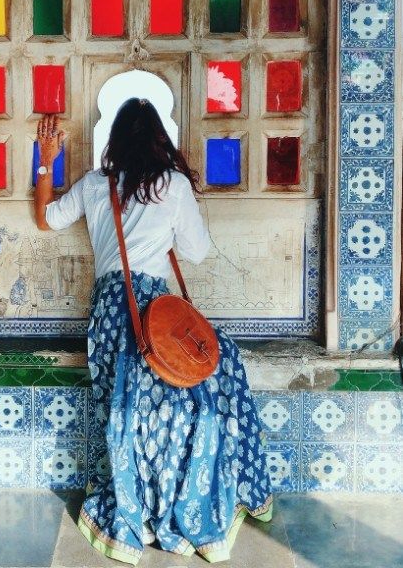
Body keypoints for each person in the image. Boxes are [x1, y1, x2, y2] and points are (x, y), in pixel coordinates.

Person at [34, 98, 273, 565]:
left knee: (127, 412)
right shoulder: (175, 186)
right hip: (157, 318)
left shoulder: (95, 184)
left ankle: (137, 511)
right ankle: (196, 502)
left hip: (109, 315)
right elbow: (197, 252)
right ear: (161, 139)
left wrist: (46, 161)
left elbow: (46, 219)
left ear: (114, 139)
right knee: (201, 389)